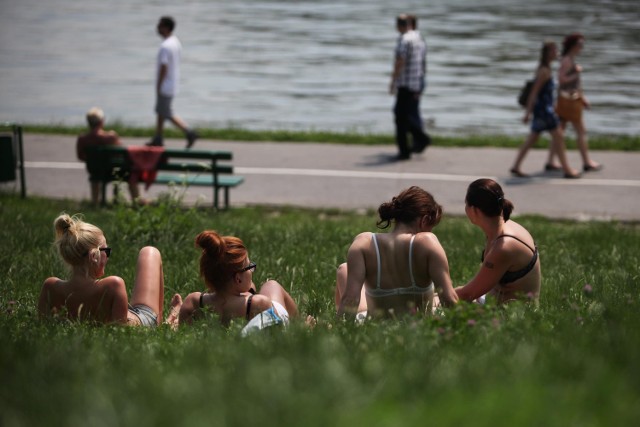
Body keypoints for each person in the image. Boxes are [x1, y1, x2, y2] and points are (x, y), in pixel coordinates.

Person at [336, 186, 458, 320]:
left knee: (344, 269)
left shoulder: (363, 242)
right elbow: (448, 299)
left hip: (376, 330)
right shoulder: (427, 242)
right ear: (424, 220)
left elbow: (350, 299)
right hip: (420, 331)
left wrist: (338, 333)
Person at [38, 214, 165, 326]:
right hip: (142, 320)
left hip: (129, 313)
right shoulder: (113, 285)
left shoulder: (50, 287)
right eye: (106, 251)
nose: (108, 256)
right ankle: (162, 323)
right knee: (149, 251)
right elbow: (122, 333)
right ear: (94, 256)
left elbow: (42, 326)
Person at [169, 230, 299, 328]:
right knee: (271, 285)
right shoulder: (259, 304)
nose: (252, 270)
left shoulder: (193, 302)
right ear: (238, 278)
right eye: (250, 266)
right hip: (265, 316)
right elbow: (280, 338)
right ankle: (302, 325)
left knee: (250, 289)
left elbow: (185, 332)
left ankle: (172, 319)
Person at [455, 179, 541, 304]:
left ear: (474, 211)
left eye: (466, 204)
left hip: (511, 317)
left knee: (432, 308)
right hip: (495, 303)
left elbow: (468, 294)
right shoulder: (503, 227)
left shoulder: (504, 246)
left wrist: (434, 297)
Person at [510, 41, 580, 179]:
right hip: (544, 111)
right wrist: (527, 113)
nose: (557, 53)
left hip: (543, 110)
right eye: (555, 50)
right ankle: (567, 170)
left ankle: (516, 166)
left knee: (533, 137)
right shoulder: (544, 71)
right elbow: (534, 93)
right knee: (558, 136)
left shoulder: (545, 68)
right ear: (548, 53)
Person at [549, 33, 601, 172]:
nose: (581, 47)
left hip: (568, 100)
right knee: (581, 131)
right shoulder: (567, 60)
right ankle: (586, 162)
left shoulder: (569, 58)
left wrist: (583, 98)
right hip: (569, 101)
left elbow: (574, 84)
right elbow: (561, 79)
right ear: (573, 46)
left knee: (559, 132)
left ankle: (550, 161)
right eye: (580, 45)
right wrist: (576, 72)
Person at [147, 16, 198, 149]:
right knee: (160, 111)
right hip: (173, 83)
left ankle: (189, 132)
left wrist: (158, 85)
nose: (157, 28)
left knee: (166, 112)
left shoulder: (165, 46)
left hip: (165, 85)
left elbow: (164, 67)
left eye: (160, 25)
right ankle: (158, 137)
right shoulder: (175, 42)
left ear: (166, 28)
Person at [76, 107, 140, 205]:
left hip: (94, 170)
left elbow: (80, 156)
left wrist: (94, 160)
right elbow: (120, 153)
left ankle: (95, 203)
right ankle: (136, 201)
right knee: (129, 172)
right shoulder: (110, 137)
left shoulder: (82, 139)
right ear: (102, 121)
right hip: (112, 171)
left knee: (96, 175)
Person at [389, 14, 431, 161]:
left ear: (399, 26)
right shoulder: (419, 38)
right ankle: (419, 139)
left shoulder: (404, 39)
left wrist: (393, 81)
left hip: (406, 83)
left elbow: (400, 61)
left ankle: (406, 149)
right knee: (408, 114)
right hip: (417, 82)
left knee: (400, 117)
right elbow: (423, 61)